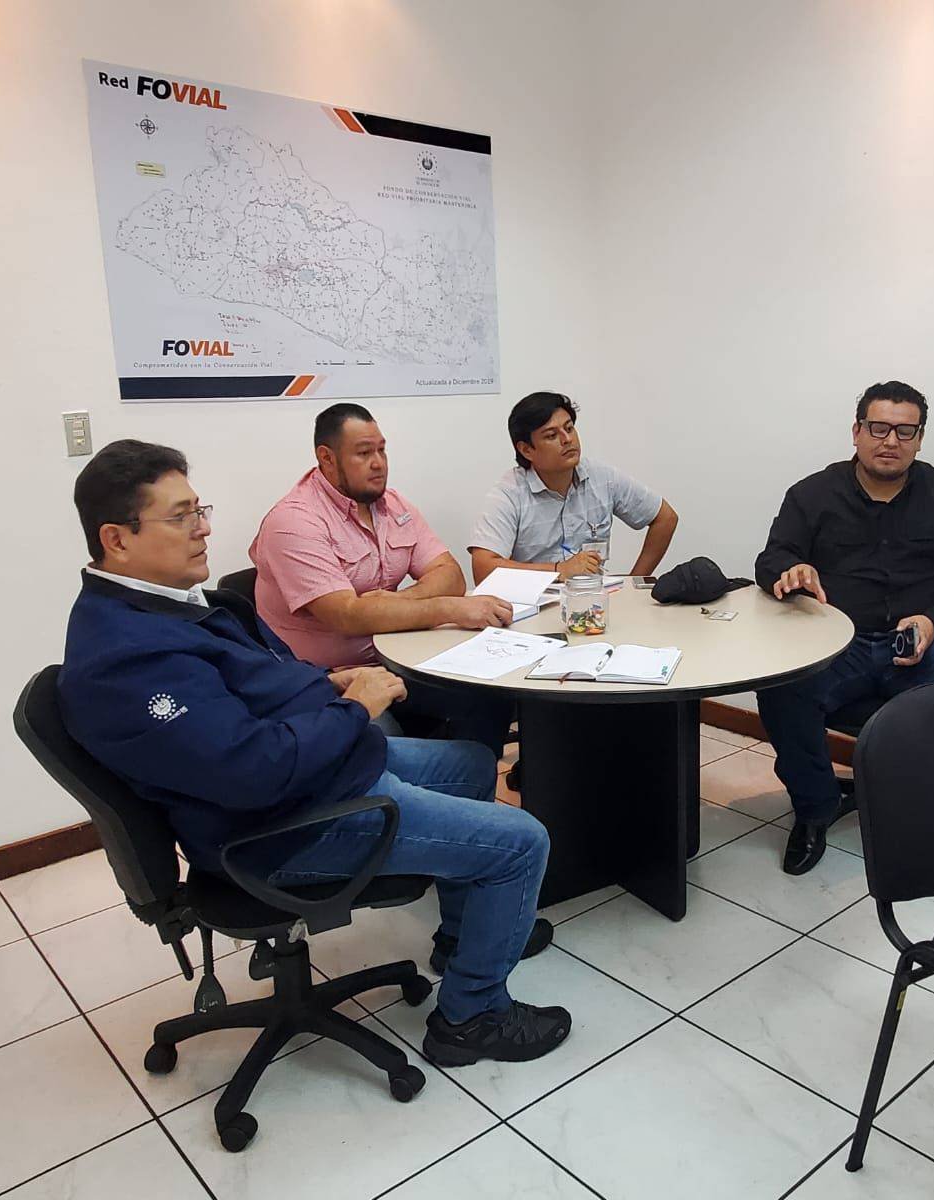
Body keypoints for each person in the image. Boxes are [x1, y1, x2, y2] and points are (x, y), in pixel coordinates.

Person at [58, 440, 570, 1065]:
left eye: (199, 510)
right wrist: (356, 708)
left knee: (470, 763)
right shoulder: (129, 657)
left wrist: (331, 685)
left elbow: (249, 690)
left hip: (320, 770)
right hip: (282, 827)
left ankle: (463, 939)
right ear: (117, 539)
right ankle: (472, 1017)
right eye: (181, 516)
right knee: (522, 842)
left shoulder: (164, 606)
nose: (203, 528)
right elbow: (252, 771)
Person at [755, 381, 934, 875]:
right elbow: (771, 560)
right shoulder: (811, 494)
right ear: (857, 431)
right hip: (837, 641)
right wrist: (791, 571)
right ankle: (815, 807)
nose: (891, 441)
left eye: (905, 431)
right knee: (780, 688)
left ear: (920, 438)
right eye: (879, 428)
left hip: (926, 637)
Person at [249, 404, 514, 760]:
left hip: (398, 661)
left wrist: (397, 601)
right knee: (384, 743)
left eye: (382, 450)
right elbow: (346, 615)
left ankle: (471, 787)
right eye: (363, 453)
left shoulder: (392, 505)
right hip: (328, 680)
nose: (379, 463)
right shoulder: (294, 521)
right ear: (327, 458)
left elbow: (450, 573)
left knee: (488, 696)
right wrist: (449, 609)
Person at [467, 391, 679, 583]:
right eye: (551, 435)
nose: (567, 439)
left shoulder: (602, 477)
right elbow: (483, 569)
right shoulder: (508, 493)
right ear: (526, 450)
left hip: (593, 601)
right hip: (533, 604)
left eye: (569, 428)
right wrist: (558, 570)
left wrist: (633, 582)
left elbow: (665, 518)